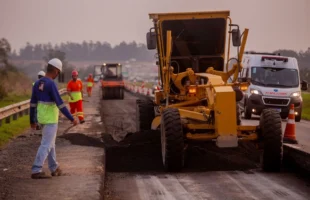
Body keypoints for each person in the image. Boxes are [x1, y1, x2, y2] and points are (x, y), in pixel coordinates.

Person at [30, 58, 78, 179]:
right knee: (46, 144)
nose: (58, 74)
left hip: (42, 118)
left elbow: (32, 103)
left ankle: (54, 167)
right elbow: (60, 104)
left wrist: (32, 120)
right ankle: (36, 169)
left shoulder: (37, 83)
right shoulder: (51, 84)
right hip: (51, 119)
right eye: (58, 72)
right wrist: (71, 118)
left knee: (51, 144)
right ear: (56, 70)